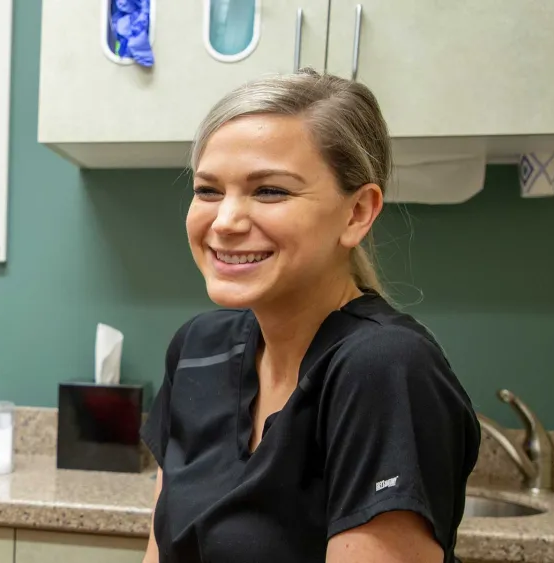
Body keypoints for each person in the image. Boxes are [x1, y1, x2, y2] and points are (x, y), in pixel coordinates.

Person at [139, 68, 481, 563]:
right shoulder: (199, 350)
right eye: (208, 190)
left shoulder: (383, 368)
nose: (226, 221)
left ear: (357, 212)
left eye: (270, 191)